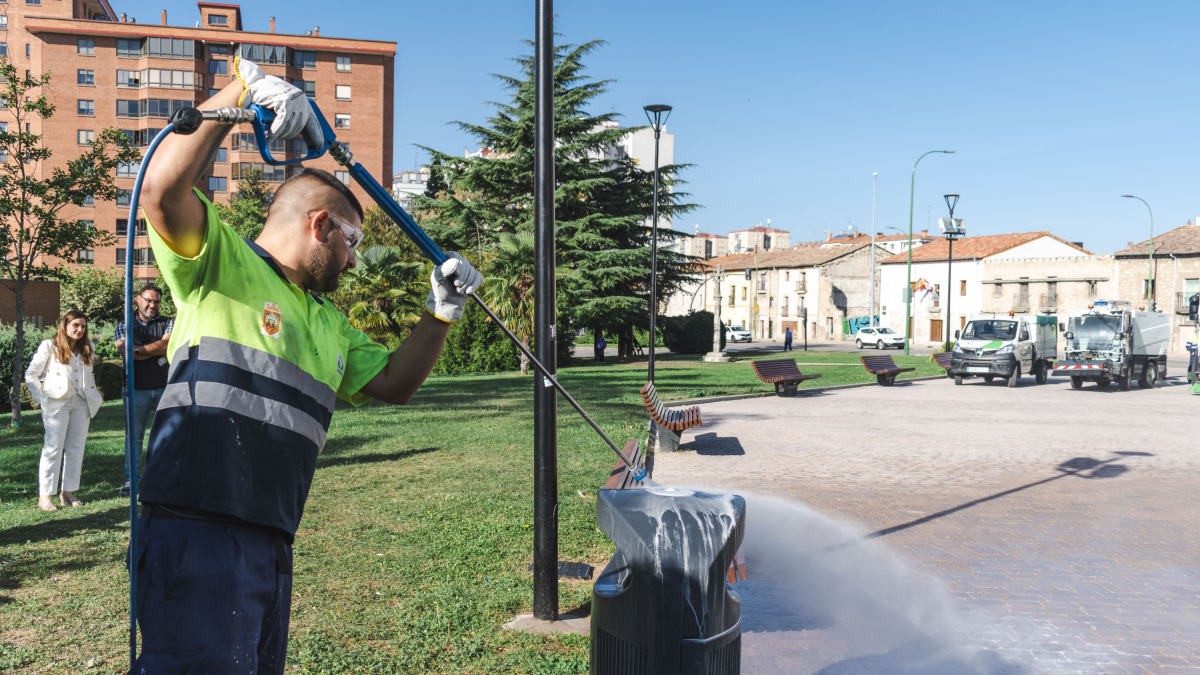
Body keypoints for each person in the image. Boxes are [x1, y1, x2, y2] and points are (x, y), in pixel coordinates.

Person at [129, 57, 484, 672]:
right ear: (321, 225)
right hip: (197, 530)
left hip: (271, 537)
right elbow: (162, 190)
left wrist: (441, 312)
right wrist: (242, 90)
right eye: (352, 241)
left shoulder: (328, 322)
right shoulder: (221, 261)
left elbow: (396, 383)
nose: (354, 261)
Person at [25, 311, 103, 511]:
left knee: (76, 448)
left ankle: (67, 493)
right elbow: (31, 374)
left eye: (83, 326)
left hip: (82, 402)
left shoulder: (88, 347)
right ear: (65, 325)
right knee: (53, 447)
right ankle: (45, 496)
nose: (79, 329)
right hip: (56, 402)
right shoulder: (49, 346)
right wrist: (40, 397)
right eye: (75, 325)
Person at [114, 284, 173, 497]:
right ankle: (132, 480)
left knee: (165, 436)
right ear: (138, 300)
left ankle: (159, 479)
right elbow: (125, 351)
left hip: (164, 389)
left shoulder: (169, 322)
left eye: (156, 301)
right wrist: (154, 349)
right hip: (135, 389)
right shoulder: (124, 323)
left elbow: (167, 346)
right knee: (134, 438)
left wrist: (138, 350)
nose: (152, 305)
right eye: (148, 300)